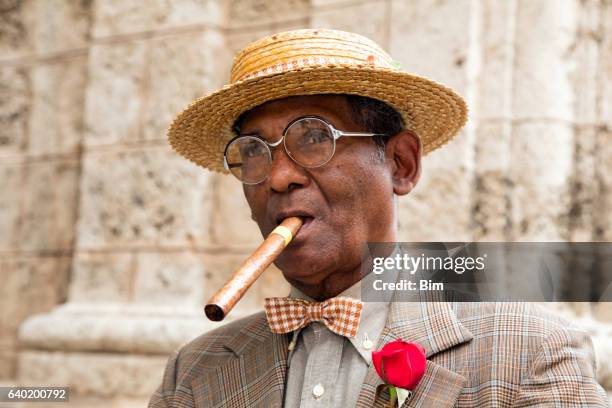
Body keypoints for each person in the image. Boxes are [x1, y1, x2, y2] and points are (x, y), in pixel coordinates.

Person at [149, 29, 608, 407]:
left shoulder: (530, 351)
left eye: (313, 137)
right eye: (253, 152)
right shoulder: (194, 373)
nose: (279, 177)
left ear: (401, 164)